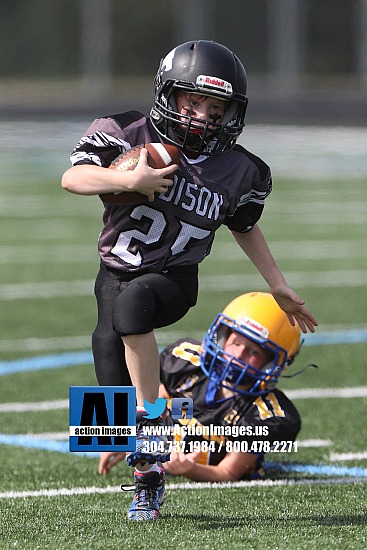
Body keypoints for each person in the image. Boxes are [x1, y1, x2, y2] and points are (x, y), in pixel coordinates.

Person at [62, 40, 317, 520]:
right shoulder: (126, 130)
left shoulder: (242, 169)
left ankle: (153, 424)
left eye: (215, 107)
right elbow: (72, 178)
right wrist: (128, 183)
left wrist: (278, 285)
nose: (202, 115)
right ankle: (144, 470)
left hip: (174, 279)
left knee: (134, 308)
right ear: (169, 95)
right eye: (193, 102)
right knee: (106, 367)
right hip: (112, 274)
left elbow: (244, 225)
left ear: (231, 113)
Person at [99, 292, 307, 515]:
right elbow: (152, 403)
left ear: (272, 363)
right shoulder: (187, 365)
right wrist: (122, 434)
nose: (238, 354)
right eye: (236, 342)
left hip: (202, 467)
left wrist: (190, 469)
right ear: (222, 336)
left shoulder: (266, 412)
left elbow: (227, 472)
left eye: (253, 352)